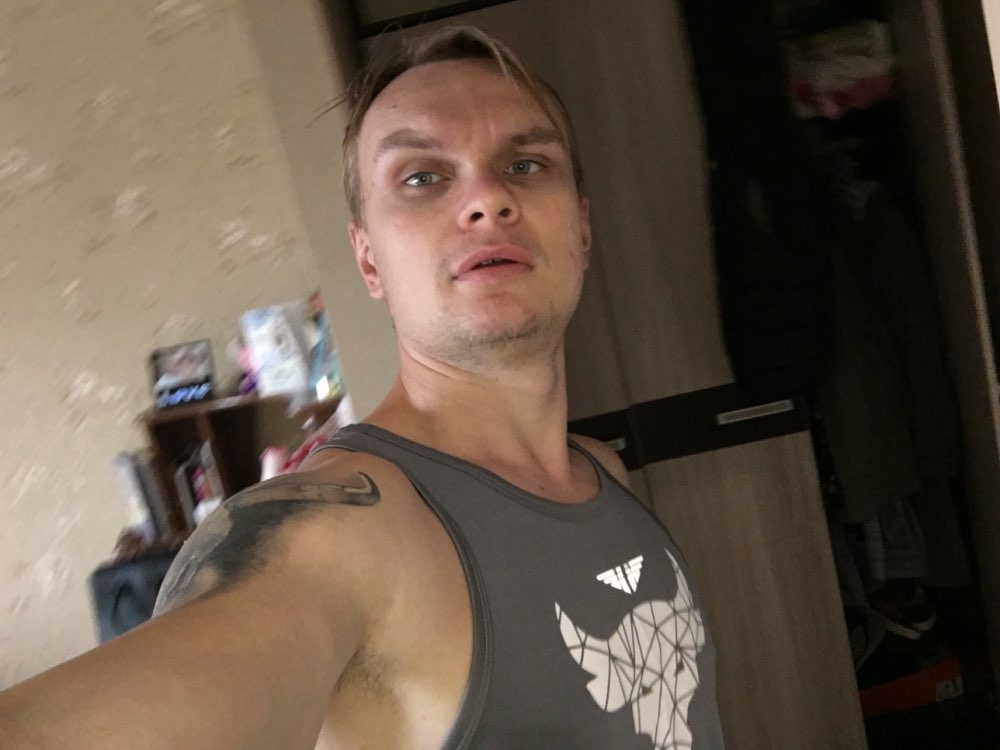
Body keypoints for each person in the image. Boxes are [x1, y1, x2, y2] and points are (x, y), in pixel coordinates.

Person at [0, 26, 724, 750]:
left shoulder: (602, 473)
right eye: (423, 177)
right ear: (369, 259)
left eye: (526, 164)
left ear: (583, 229)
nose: (488, 198)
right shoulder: (340, 535)